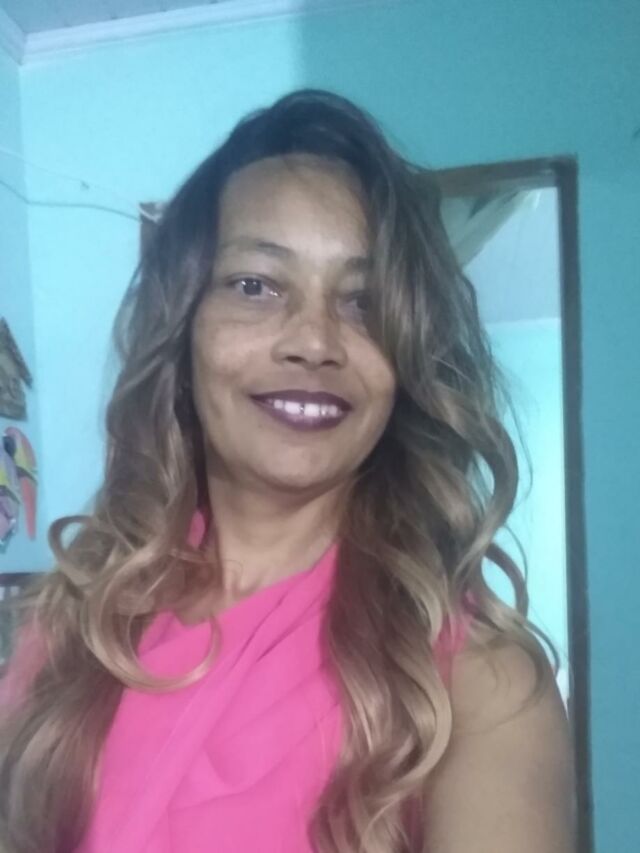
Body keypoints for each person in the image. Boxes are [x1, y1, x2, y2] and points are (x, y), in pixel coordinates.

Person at [0, 90, 574, 853]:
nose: (314, 341)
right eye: (256, 285)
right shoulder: (77, 624)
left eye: (364, 301)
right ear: (184, 330)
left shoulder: (482, 685)